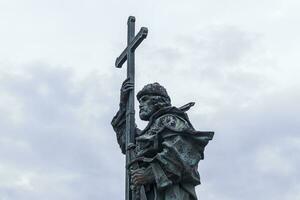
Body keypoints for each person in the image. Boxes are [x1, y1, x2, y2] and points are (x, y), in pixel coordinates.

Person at [111, 79, 214, 200]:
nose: (140, 104)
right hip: (147, 192)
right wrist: (124, 105)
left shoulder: (170, 120)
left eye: (145, 99)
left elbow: (181, 154)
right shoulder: (150, 131)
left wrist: (150, 173)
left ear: (158, 101)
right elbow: (127, 139)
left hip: (170, 192)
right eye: (139, 101)